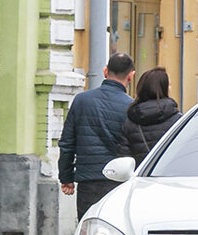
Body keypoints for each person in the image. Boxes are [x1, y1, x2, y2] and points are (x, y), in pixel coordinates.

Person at [58, 52, 135, 221]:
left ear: (105, 71)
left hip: (88, 180)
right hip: (118, 182)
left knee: (87, 231)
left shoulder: (81, 100)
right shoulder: (130, 106)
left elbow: (67, 143)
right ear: (130, 76)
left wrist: (66, 177)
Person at [117, 66, 182, 167]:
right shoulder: (178, 120)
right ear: (163, 88)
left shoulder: (130, 121)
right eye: (169, 85)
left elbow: (124, 158)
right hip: (170, 178)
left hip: (142, 179)